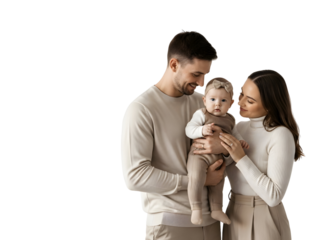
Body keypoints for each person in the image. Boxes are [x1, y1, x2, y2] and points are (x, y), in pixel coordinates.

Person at [119, 30, 231, 240]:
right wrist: (198, 181)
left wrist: (223, 147)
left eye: (205, 75)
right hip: (170, 226)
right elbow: (134, 177)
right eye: (196, 74)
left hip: (213, 223)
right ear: (173, 65)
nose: (201, 83)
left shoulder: (204, 102)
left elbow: (230, 150)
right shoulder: (141, 109)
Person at [192, 69, 308, 240]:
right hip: (232, 211)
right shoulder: (238, 128)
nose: (239, 102)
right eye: (240, 94)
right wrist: (222, 152)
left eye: (250, 100)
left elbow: (274, 196)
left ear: (269, 105)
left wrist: (240, 157)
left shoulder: (280, 135)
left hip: (264, 216)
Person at [185, 77, 249, 225]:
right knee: (195, 177)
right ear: (204, 100)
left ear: (232, 103)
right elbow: (189, 130)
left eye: (223, 101)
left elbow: (235, 135)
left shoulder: (231, 120)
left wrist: (240, 142)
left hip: (218, 157)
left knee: (219, 183)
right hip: (199, 155)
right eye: (212, 99)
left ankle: (217, 209)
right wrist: (201, 130)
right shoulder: (202, 114)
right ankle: (196, 208)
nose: (217, 104)